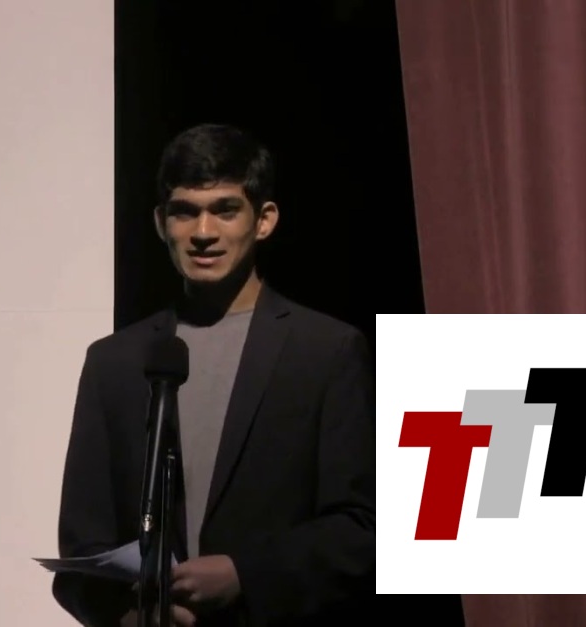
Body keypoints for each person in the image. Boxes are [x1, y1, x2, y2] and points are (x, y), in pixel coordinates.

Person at [52, 123, 375, 626]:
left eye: (225, 210)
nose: (203, 233)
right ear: (161, 222)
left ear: (263, 220)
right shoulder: (113, 362)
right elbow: (81, 549)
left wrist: (246, 574)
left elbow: (362, 530)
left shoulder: (326, 351)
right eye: (185, 212)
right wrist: (128, 617)